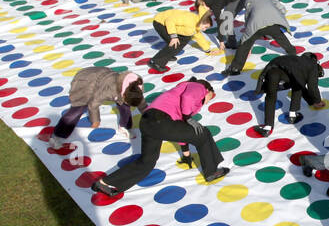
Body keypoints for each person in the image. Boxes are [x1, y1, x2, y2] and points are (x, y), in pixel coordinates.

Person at [92, 79, 229, 195]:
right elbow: (188, 99)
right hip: (160, 120)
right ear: (208, 90)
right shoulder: (197, 86)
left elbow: (181, 131)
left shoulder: (176, 98)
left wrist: (186, 155)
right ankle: (211, 172)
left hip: (148, 122)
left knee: (147, 163)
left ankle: (104, 183)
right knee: (203, 134)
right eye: (212, 95)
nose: (210, 99)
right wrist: (189, 118)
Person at [50, 68, 144, 146]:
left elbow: (141, 103)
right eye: (126, 99)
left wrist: (150, 114)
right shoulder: (109, 90)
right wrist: (95, 120)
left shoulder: (136, 88)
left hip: (102, 76)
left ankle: (124, 127)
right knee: (77, 109)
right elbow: (93, 104)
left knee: (125, 106)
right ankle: (57, 135)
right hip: (85, 81)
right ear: (123, 95)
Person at [227, 0, 295, 76]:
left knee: (244, 44)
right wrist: (277, 16)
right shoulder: (269, 0)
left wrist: (248, 34)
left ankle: (235, 68)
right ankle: (291, 51)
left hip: (256, 26)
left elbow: (248, 19)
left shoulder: (250, 4)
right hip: (272, 24)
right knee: (280, 36)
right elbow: (282, 8)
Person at [253, 52, 325, 136]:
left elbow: (271, 65)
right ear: (315, 60)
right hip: (285, 76)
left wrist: (311, 101)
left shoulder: (294, 58)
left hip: (272, 72)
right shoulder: (312, 66)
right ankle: (292, 115)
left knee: (270, 97)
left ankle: (267, 128)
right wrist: (317, 101)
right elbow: (312, 88)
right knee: (297, 85)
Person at [149, 5, 218, 72]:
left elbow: (200, 38)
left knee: (186, 38)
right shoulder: (189, 19)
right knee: (174, 43)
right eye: (205, 27)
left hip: (172, 26)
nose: (205, 30)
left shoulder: (196, 26)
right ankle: (155, 62)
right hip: (160, 22)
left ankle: (168, 55)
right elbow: (169, 20)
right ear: (202, 21)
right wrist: (174, 36)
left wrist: (208, 50)